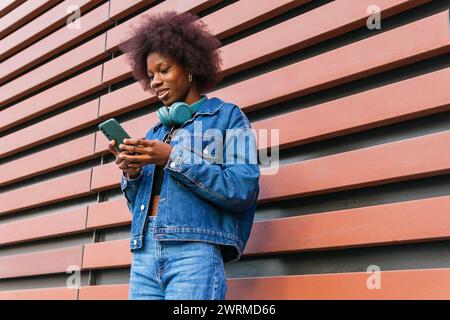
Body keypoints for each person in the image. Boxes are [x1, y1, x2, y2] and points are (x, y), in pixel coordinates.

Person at [107, 11, 260, 300]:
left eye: (164, 70)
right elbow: (138, 207)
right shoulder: (155, 133)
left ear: (189, 66)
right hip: (144, 253)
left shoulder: (226, 117)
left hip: (194, 251)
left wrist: (172, 158)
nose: (155, 82)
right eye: (150, 75)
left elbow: (243, 188)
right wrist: (132, 174)